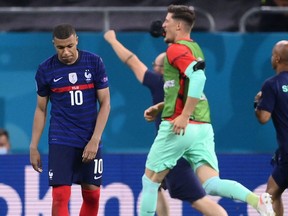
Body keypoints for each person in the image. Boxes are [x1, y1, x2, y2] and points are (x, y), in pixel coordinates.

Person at [139, 5, 275, 216]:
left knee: (150, 181)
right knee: (211, 183)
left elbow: (198, 78)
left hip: (180, 126)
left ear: (177, 25)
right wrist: (159, 107)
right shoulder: (195, 48)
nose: (163, 25)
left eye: (166, 21)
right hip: (202, 128)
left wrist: (183, 115)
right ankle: (256, 201)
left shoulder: (175, 49)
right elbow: (184, 88)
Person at [104, 30, 227, 216]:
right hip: (185, 143)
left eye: (155, 64)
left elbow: (131, 60)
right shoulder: (187, 84)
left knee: (198, 200)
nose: (152, 67)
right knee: (153, 184)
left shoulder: (158, 81)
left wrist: (112, 41)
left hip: (174, 148)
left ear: (163, 68)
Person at [29, 24, 110, 216]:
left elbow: (105, 103)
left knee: (92, 196)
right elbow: (41, 109)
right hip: (61, 138)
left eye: (69, 46)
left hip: (89, 138)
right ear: (54, 45)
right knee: (59, 196)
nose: (66, 52)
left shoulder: (94, 62)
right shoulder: (45, 69)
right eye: (60, 48)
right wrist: (33, 146)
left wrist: (95, 139)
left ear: (76, 41)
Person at [254, 40, 288, 216]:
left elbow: (263, 118)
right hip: (284, 153)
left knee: (270, 196)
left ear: (276, 58)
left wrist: (257, 102)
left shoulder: (271, 84)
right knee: (273, 191)